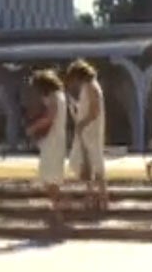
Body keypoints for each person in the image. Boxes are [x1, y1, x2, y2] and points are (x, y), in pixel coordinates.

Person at [26, 69, 67, 223]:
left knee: (51, 177)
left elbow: (50, 117)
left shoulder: (55, 97)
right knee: (50, 176)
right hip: (55, 139)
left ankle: (58, 209)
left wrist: (33, 128)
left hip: (53, 139)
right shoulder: (60, 96)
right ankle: (56, 207)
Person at [65, 59, 106, 209]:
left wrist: (82, 123)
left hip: (90, 130)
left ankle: (101, 197)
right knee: (88, 164)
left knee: (95, 163)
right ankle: (92, 196)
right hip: (87, 130)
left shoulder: (91, 87)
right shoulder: (89, 87)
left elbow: (94, 111)